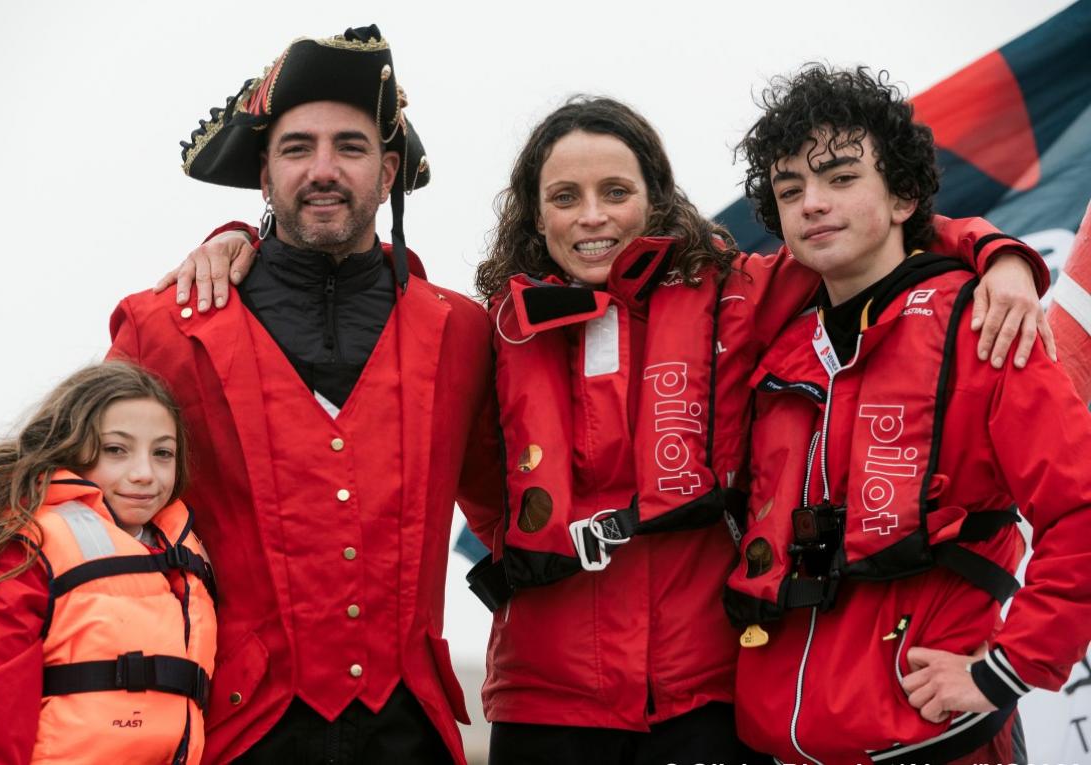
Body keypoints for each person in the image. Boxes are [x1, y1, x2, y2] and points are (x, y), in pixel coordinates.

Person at [162, 95, 1050, 762]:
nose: (592, 216)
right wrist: (240, 236)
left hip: (706, 695)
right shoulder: (484, 335)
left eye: (616, 191)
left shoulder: (739, 296)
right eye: (566, 196)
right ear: (533, 213)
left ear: (654, 197)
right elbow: (356, 318)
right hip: (543, 707)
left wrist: (997, 253)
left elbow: (868, 237)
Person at [0, 24, 500, 765]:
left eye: (350, 148)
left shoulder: (465, 333)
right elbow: (53, 479)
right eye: (296, 148)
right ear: (263, 174)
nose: (323, 169)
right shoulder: (166, 326)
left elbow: (517, 507)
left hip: (411, 731)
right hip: (230, 728)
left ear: (387, 173)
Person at [724, 64, 1091, 763]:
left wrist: (1008, 668)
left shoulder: (985, 326)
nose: (812, 203)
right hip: (775, 746)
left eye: (839, 177)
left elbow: (1081, 509)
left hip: (932, 744)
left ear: (904, 196)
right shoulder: (776, 358)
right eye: (790, 188)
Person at [0, 361, 216, 764]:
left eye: (163, 453)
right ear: (67, 449)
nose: (144, 473)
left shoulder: (184, 556)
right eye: (115, 450)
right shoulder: (24, 552)